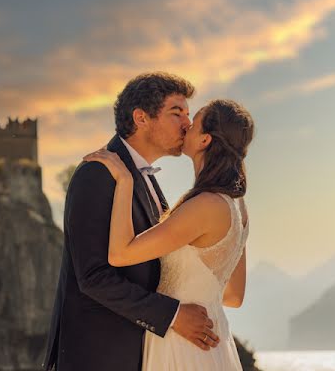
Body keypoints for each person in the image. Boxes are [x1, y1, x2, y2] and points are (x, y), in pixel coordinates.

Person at [43, 73, 220, 371]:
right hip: (97, 357)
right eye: (176, 113)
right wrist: (173, 316)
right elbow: (94, 276)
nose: (187, 124)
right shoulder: (98, 174)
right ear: (141, 118)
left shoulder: (143, 178)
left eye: (188, 114)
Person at [84, 98, 253, 370]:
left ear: (204, 140)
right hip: (210, 340)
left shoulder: (206, 205)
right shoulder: (237, 206)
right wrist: (195, 296)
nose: (185, 125)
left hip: (182, 344)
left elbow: (119, 254)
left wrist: (125, 181)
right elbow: (234, 295)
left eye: (193, 122)